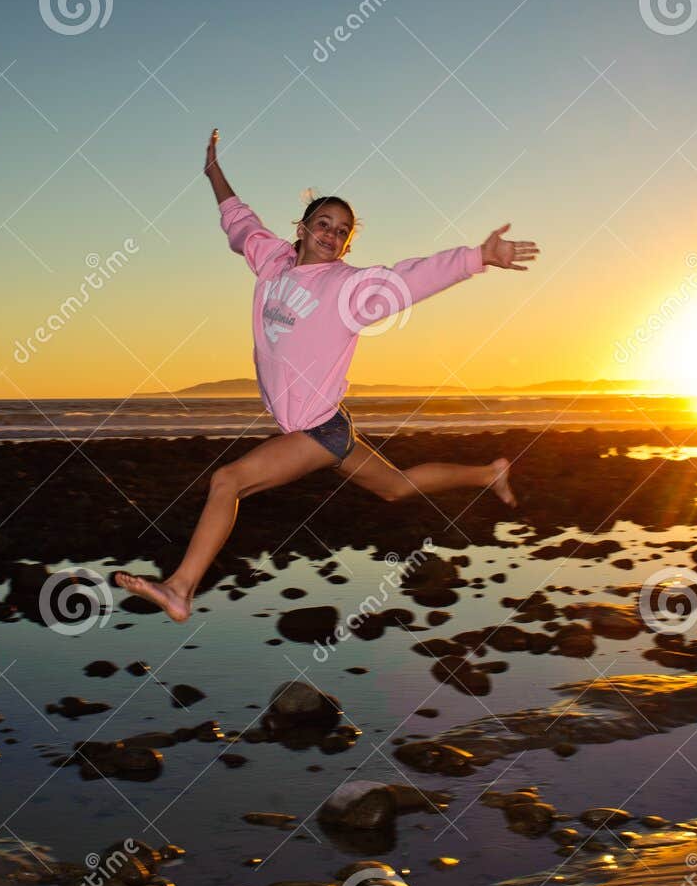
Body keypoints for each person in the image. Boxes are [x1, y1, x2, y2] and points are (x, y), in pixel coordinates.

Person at [113, 128, 538, 622]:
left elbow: (410, 278)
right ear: (302, 227)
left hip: (317, 430)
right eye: (324, 223)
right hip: (328, 427)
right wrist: (213, 172)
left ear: (347, 243)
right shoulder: (271, 261)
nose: (331, 234)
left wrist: (477, 257)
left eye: (341, 231)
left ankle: (180, 588)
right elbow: (239, 221)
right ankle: (489, 474)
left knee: (227, 482)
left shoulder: (347, 287)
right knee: (395, 487)